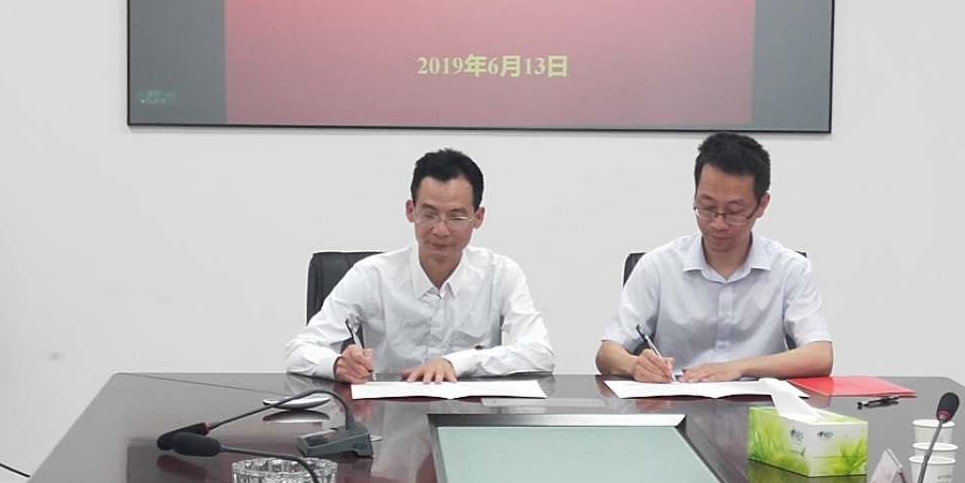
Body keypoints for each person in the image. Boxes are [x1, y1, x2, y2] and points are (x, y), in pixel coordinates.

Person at [285, 149, 554, 383]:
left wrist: (458, 362)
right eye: (429, 214)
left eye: (456, 217)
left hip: (471, 418)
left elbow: (540, 354)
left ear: (478, 217)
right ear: (410, 211)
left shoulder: (501, 274)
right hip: (389, 418)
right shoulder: (372, 276)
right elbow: (299, 350)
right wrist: (337, 365)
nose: (440, 230)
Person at [595, 132, 832, 383]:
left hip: (759, 403)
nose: (718, 224)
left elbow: (820, 356)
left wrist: (740, 367)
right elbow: (607, 353)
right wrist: (636, 366)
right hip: (675, 399)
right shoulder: (659, 266)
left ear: (762, 205)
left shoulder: (790, 269)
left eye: (734, 212)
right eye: (707, 208)